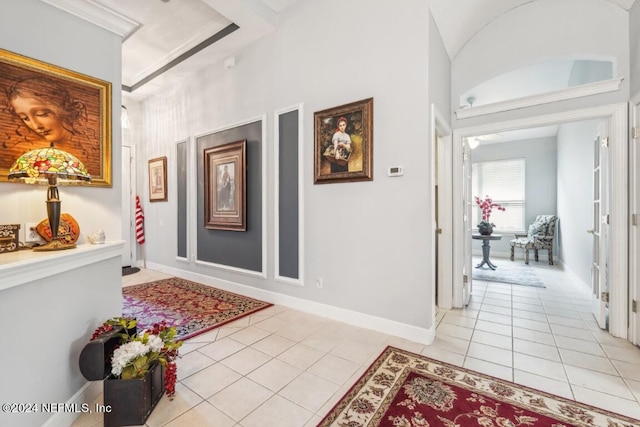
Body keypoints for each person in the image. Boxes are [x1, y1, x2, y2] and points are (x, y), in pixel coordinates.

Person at [2, 76, 99, 175]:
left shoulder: (92, 150)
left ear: (62, 109)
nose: (36, 126)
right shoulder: (30, 153)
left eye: (42, 114)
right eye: (25, 118)